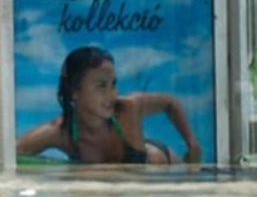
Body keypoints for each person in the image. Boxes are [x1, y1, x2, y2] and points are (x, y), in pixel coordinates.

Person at [16, 45, 202, 165]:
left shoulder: (128, 107)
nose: (111, 94)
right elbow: (14, 154)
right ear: (74, 91)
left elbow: (169, 103)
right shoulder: (61, 132)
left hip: (163, 165)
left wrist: (192, 145)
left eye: (113, 84)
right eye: (101, 86)